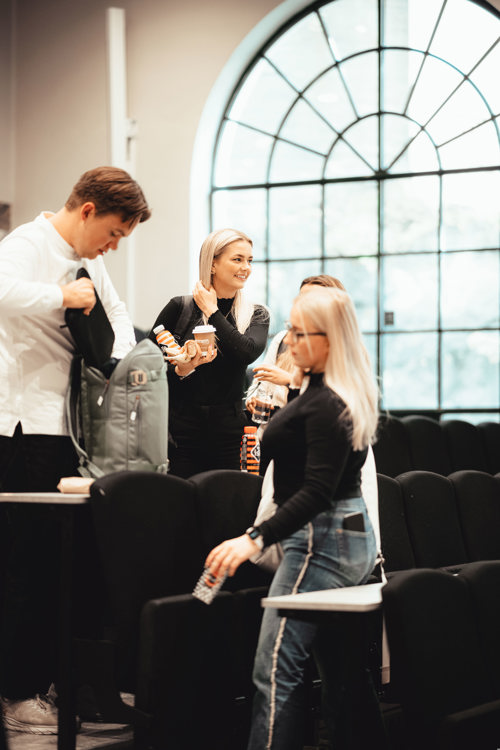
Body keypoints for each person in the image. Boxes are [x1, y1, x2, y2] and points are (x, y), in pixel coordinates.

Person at [0, 166, 151, 734]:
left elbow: (116, 328)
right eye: (113, 232)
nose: (113, 245)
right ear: (87, 210)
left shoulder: (94, 261)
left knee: (54, 569)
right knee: (21, 568)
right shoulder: (27, 244)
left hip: (64, 429)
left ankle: (47, 685)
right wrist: (60, 296)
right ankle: (14, 698)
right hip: (18, 427)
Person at [206, 285, 379, 750]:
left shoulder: (326, 404)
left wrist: (254, 538)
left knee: (274, 672)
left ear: (330, 340)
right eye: (292, 331)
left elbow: (317, 492)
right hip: (343, 539)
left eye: (302, 335)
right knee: (341, 670)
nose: (290, 342)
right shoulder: (328, 391)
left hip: (319, 544)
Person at [149, 228, 269, 478]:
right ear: (212, 264)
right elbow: (148, 365)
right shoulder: (179, 308)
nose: (246, 267)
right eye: (237, 259)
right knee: (181, 506)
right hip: (179, 430)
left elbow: (245, 352)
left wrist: (212, 311)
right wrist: (182, 368)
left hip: (230, 431)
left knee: (224, 507)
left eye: (249, 260)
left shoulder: (257, 314)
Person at [246, 275, 346, 429]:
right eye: (301, 299)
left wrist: (290, 381)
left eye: (311, 300)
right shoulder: (282, 339)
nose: (290, 341)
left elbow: (330, 402)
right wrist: (254, 400)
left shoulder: (339, 351)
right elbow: (260, 386)